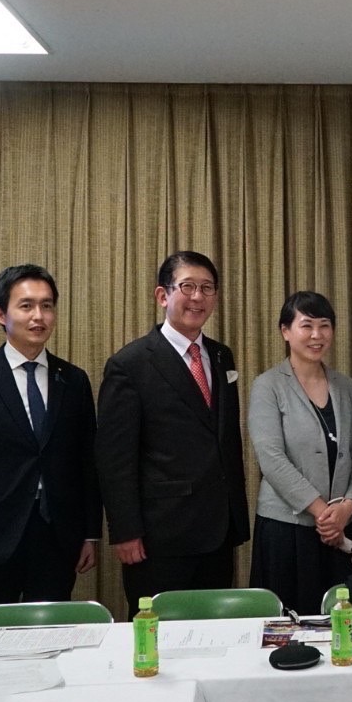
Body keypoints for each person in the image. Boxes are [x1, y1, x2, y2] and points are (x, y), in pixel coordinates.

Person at [0, 265, 100, 613]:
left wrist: (90, 533)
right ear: (1, 314)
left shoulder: (74, 380)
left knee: (54, 630)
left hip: (58, 535)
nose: (38, 316)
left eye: (47, 305)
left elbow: (86, 462)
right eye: (26, 306)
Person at [97, 251, 249, 612]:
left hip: (218, 530)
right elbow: (114, 459)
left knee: (216, 630)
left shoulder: (221, 356)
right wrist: (125, 530)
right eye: (188, 287)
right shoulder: (130, 364)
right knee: (159, 633)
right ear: (162, 295)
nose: (198, 297)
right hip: (159, 535)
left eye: (207, 288)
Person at [247, 291, 352, 615]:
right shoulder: (267, 386)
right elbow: (271, 459)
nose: (317, 335)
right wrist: (323, 513)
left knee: (341, 621)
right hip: (287, 529)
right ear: (285, 331)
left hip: (340, 526)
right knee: (288, 625)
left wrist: (348, 507)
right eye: (307, 325)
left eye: (324, 326)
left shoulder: (347, 387)